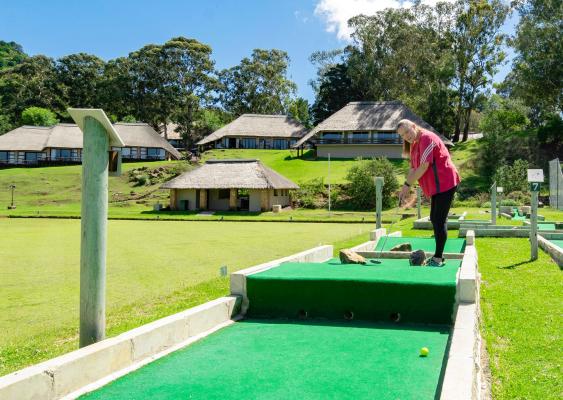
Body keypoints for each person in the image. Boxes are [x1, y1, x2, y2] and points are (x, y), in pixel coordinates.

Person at [396, 119, 461, 267]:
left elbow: (424, 166)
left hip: (445, 182)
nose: (406, 136)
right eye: (402, 135)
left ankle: (438, 259)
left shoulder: (426, 138)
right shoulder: (413, 145)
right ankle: (438, 257)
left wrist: (408, 184)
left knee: (438, 219)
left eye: (407, 131)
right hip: (436, 187)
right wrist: (405, 187)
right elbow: (413, 169)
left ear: (414, 126)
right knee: (435, 218)